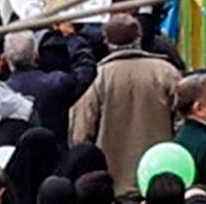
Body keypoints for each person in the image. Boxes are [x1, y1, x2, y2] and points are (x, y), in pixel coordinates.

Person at [70, 16, 181, 189]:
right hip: (161, 178)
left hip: (113, 180)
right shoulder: (166, 72)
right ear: (139, 37)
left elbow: (80, 134)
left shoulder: (98, 77)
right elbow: (183, 122)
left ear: (107, 42)